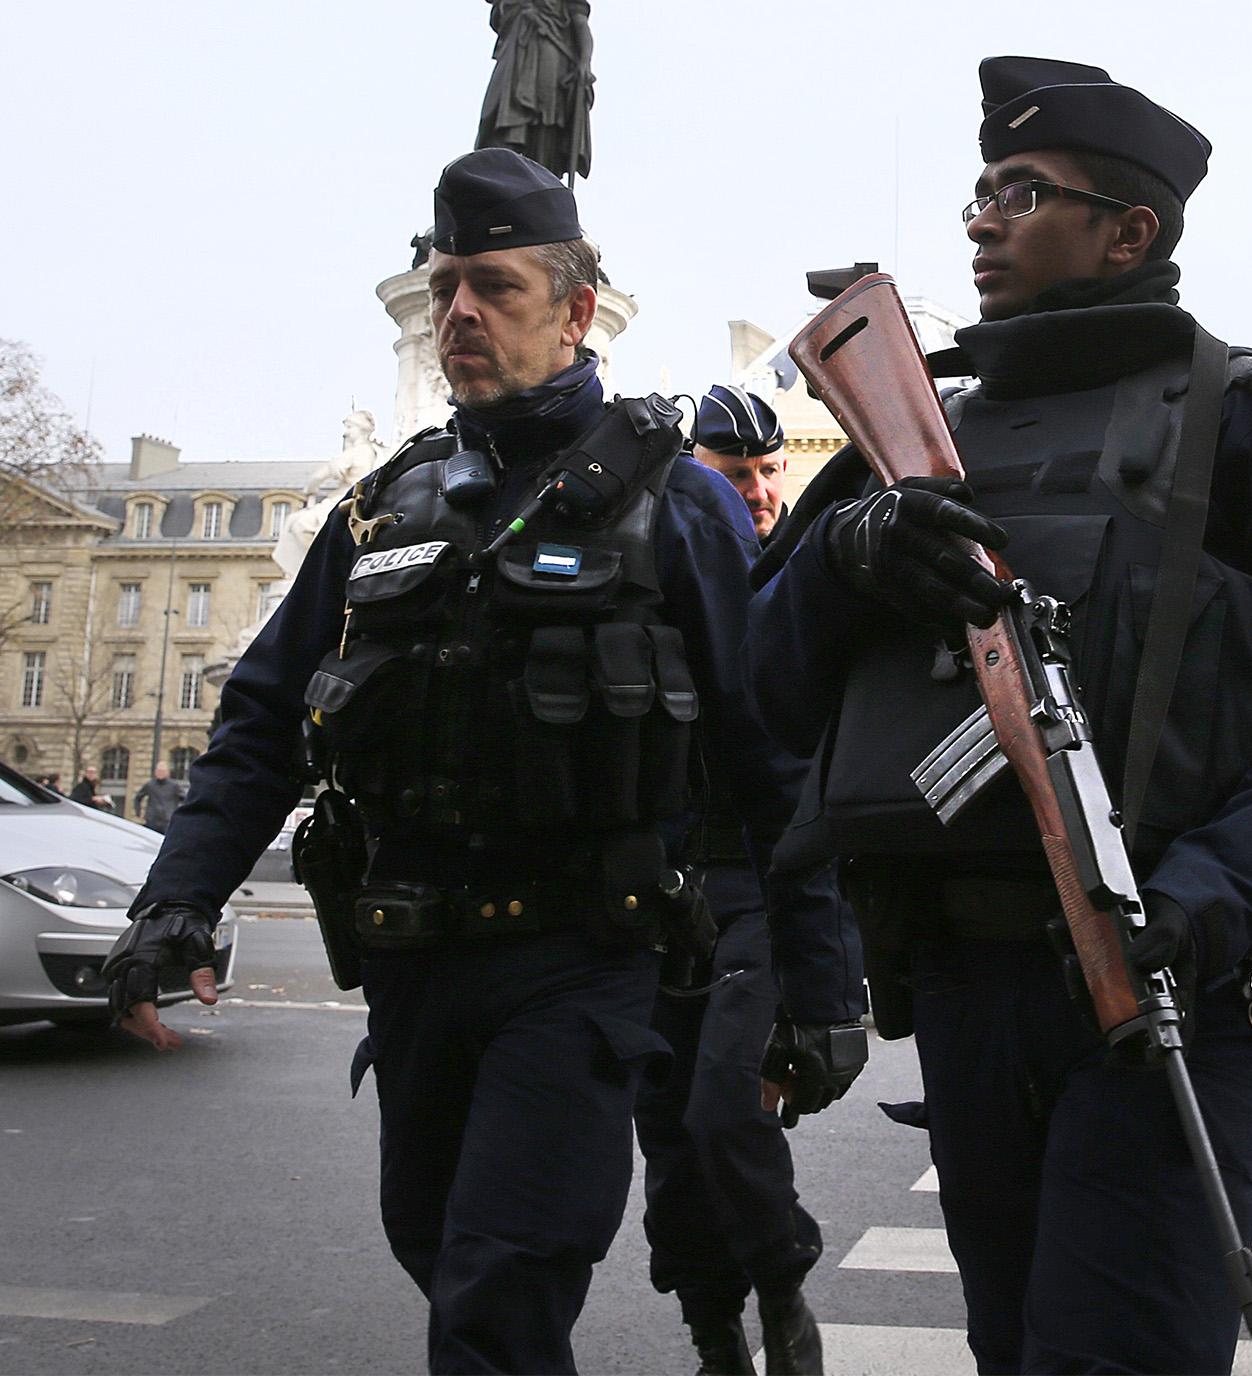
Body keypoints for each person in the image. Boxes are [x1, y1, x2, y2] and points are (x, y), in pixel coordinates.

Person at [100, 149, 852, 1375]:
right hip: (413, 965)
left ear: (572, 311)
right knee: (440, 1252)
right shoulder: (386, 506)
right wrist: (177, 898)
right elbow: (260, 722)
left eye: (493, 287)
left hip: (582, 963)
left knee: (501, 1294)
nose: (458, 313)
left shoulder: (673, 500)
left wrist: (821, 987)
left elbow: (768, 757)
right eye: (446, 284)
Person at [746, 56, 1252, 1373]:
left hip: (1156, 989)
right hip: (958, 992)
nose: (980, 218)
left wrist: (1203, 898)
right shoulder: (913, 437)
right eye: (980, 190)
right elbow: (755, 701)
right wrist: (841, 567)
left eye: (1022, 191)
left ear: (1131, 231)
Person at [631, 380, 853, 1376]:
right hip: (670, 894)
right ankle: (711, 1326)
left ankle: (780, 1286)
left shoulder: (797, 579)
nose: (760, 492)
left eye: (770, 471)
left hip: (764, 885)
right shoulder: (665, 566)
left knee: (725, 1110)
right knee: (671, 1142)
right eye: (735, 473)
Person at [433, 0, 594, 183]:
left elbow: (582, 30)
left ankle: (543, 179)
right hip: (512, 63)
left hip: (550, 57)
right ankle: (503, 176)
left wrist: (584, 63)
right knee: (499, 116)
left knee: (545, 119)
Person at [690, 384, 789, 541]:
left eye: (769, 471)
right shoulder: (674, 556)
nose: (759, 494)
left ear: (783, 469)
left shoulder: (812, 556)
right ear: (697, 479)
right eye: (738, 475)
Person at [133, 761, 184, 834]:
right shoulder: (150, 785)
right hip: (152, 821)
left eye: (162, 771)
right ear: (155, 772)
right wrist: (138, 813)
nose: (160, 773)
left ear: (167, 772)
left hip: (168, 821)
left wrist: (180, 815)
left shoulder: (174, 786)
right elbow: (138, 798)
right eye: (158, 771)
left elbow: (185, 799)